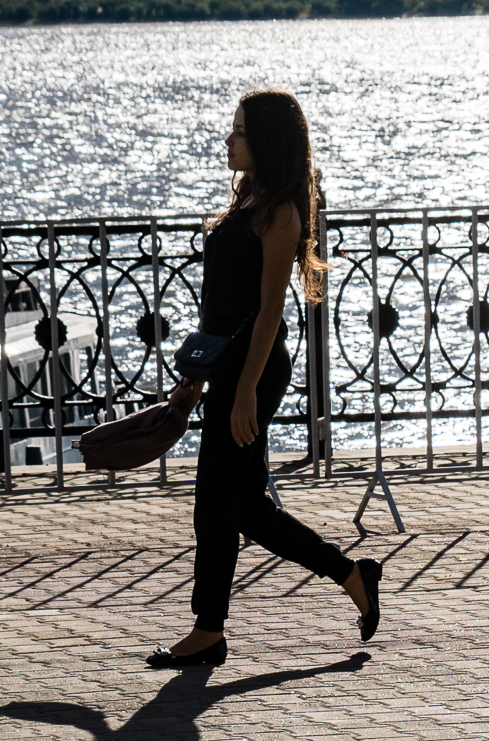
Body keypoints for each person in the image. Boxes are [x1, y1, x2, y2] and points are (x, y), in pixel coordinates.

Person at [148, 88, 382, 669]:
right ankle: (352, 574)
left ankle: (208, 630)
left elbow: (270, 310)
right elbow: (220, 305)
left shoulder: (281, 213)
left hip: (255, 366)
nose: (229, 140)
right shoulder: (249, 197)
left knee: (214, 501)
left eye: (241, 131)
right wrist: (197, 375)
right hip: (227, 365)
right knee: (246, 506)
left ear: (267, 142)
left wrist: (245, 390)